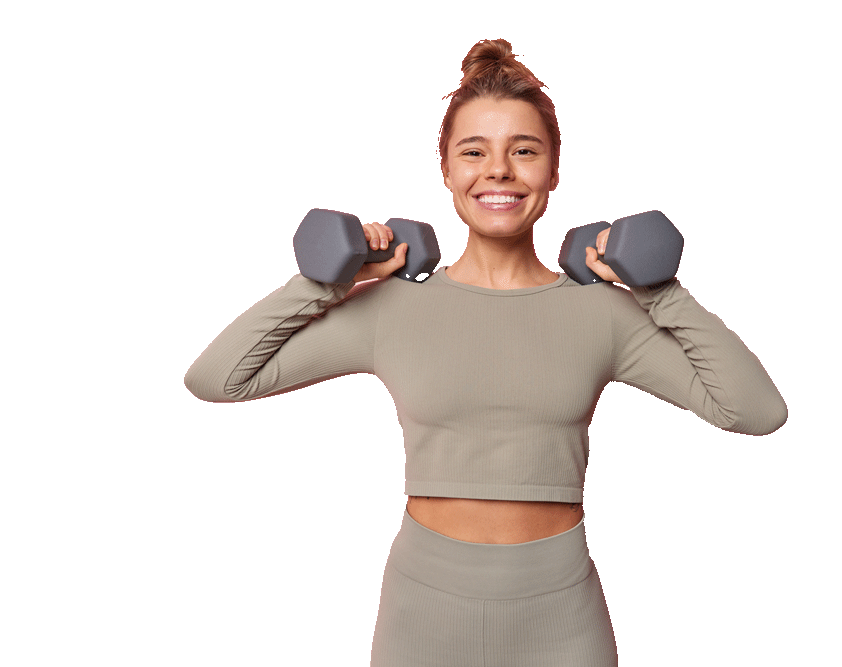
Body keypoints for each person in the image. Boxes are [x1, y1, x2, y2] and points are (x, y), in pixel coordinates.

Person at [185, 38, 786, 667]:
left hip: (561, 616)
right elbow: (218, 379)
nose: (498, 171)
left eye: (524, 151)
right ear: (446, 169)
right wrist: (327, 282)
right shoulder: (394, 307)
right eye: (474, 152)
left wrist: (657, 290)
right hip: (424, 610)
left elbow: (754, 411)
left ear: (554, 169)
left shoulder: (603, 313)